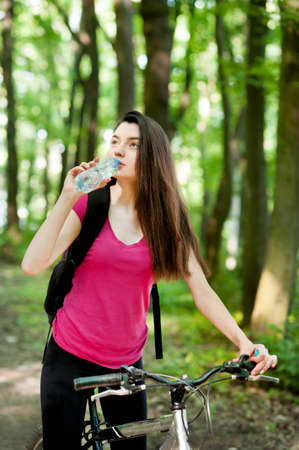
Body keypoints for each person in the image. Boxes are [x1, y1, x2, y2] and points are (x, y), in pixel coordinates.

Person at [22, 110, 277, 450]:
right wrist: (69, 195)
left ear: (154, 155)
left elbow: (201, 292)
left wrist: (244, 343)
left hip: (127, 363)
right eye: (115, 142)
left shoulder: (168, 220)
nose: (119, 150)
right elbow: (32, 264)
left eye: (132, 144)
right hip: (69, 354)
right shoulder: (90, 205)